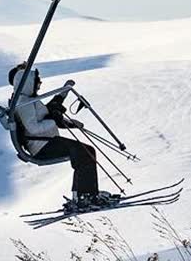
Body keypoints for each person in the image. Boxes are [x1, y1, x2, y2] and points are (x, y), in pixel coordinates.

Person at [8, 62, 115, 209]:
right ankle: (85, 196)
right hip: (42, 146)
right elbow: (33, 128)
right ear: (28, 83)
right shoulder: (24, 103)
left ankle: (84, 194)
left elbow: (47, 114)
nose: (39, 85)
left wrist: (67, 120)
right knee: (85, 152)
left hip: (47, 141)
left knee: (86, 151)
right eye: (37, 82)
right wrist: (54, 121)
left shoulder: (29, 100)